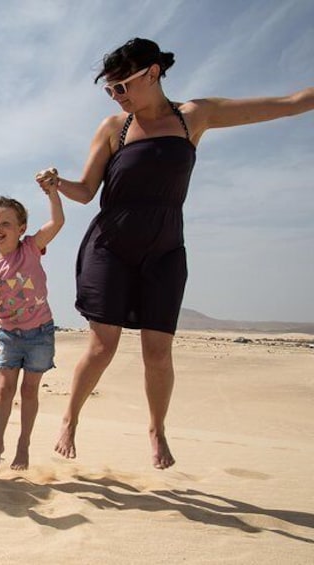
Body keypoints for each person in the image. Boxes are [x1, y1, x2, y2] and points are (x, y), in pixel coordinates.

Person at [35, 38, 314, 469]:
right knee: (103, 345)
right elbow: (87, 192)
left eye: (122, 86)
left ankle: (156, 429)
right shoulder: (114, 128)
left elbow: (291, 102)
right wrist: (57, 183)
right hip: (111, 244)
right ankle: (70, 418)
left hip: (165, 249)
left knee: (158, 352)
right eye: (109, 91)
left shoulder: (194, 117)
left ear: (152, 73)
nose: (117, 97)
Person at [0, 189, 64, 471]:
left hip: (40, 334)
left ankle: (23, 444)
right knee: (4, 390)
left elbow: (58, 222)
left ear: (21, 228)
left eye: (6, 223)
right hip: (9, 337)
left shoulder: (31, 248)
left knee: (29, 391)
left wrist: (52, 193)